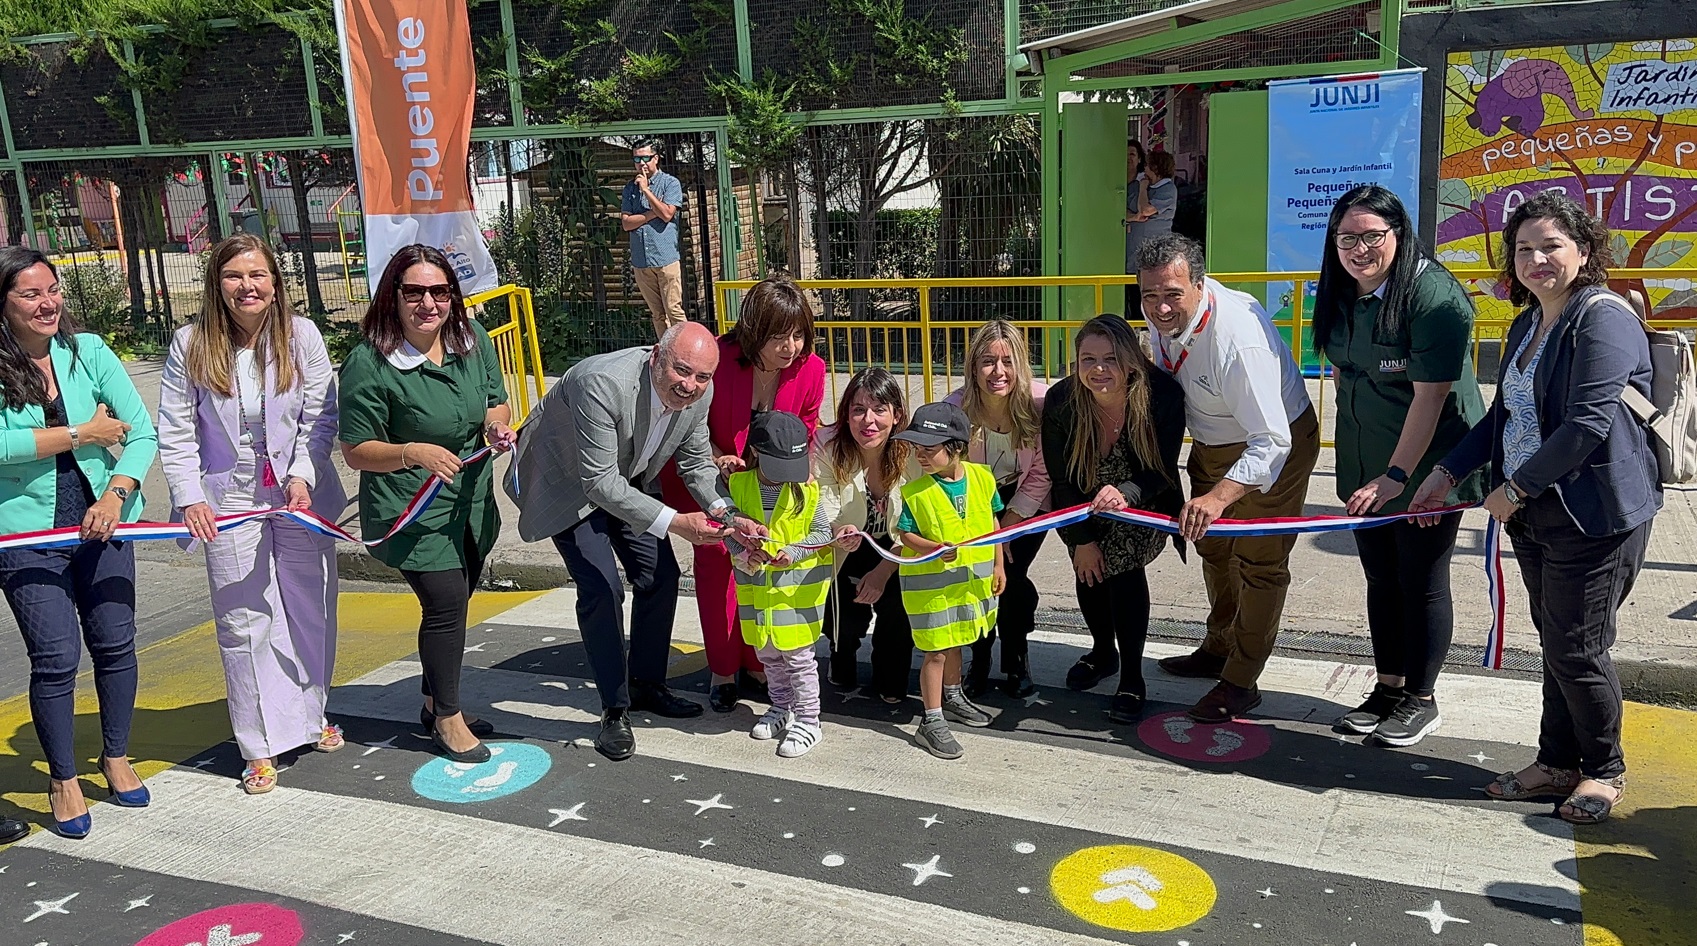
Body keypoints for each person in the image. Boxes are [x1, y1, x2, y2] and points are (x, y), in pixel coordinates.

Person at [1410, 192, 1660, 825]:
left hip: (1593, 514)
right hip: (1535, 515)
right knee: (1556, 642)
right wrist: (1446, 471)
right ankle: (1556, 762)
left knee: (1578, 647)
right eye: (1524, 248)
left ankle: (1603, 769)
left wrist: (1515, 488)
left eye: (1551, 245)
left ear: (1584, 251)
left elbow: (1586, 425)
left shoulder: (1601, 319)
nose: (1537, 259)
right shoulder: (1527, 322)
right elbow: (1505, 416)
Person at [506, 321, 768, 761]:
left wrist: (731, 515)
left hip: (627, 476)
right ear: (656, 357)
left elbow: (697, 464)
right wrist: (678, 523)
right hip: (569, 484)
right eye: (682, 371)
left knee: (661, 575)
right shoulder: (600, 384)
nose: (690, 386)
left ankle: (647, 684)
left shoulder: (700, 392)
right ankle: (614, 709)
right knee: (602, 587)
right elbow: (600, 483)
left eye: (702, 377)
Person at [157, 234, 346, 794]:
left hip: (297, 494)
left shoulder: (301, 334)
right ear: (218, 285)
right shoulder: (191, 343)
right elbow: (177, 427)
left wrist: (303, 474)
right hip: (229, 497)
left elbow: (320, 414)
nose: (248, 287)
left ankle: (310, 716)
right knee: (244, 620)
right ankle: (258, 743)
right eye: (235, 277)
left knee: (310, 607)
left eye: (258, 275)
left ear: (274, 282)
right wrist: (190, 495)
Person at [1311, 186, 1486, 747]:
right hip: (1366, 465)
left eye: (1371, 237)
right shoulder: (1341, 290)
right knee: (1381, 576)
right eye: (1346, 238)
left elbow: (1430, 398)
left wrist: (1399, 479)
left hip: (1425, 469)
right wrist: (1367, 469)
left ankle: (1421, 696)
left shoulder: (1432, 296)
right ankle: (1387, 687)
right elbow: (1343, 370)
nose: (1358, 249)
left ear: (1399, 234)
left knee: (1421, 580)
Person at [0, 247, 158, 838]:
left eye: (53, 289)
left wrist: (116, 493)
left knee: (117, 644)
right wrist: (81, 433)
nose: (48, 303)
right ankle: (62, 778)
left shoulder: (87, 351)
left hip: (105, 523)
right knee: (57, 658)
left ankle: (115, 755)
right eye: (30, 294)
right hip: (26, 536)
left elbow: (141, 432)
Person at [338, 244, 516, 765]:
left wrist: (496, 424)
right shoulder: (369, 362)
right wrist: (410, 451)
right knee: (445, 606)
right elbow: (356, 450)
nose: (428, 303)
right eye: (414, 292)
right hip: (412, 511)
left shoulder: (472, 338)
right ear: (392, 296)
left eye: (440, 292)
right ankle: (448, 718)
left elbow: (495, 399)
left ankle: (435, 698)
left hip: (471, 502)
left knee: (454, 603)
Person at [1137, 233, 1320, 723]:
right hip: (1214, 439)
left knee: (1259, 562)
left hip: (1274, 442)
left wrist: (1219, 496)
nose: (1160, 308)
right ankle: (1219, 645)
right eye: (1149, 296)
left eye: (1172, 294)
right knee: (1212, 545)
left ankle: (1241, 681)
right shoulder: (1169, 314)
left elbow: (1272, 441)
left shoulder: (1237, 343)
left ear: (1199, 285)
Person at [660, 277, 825, 713]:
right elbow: (691, 426)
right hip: (712, 474)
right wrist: (721, 458)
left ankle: (759, 663)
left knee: (766, 566)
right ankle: (722, 669)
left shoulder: (811, 369)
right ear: (753, 330)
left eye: (797, 334)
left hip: (772, 482)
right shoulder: (722, 356)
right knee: (718, 565)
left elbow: (805, 428)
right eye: (778, 335)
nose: (790, 346)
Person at [1041, 315, 1186, 723]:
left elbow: (1160, 470)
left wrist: (1126, 493)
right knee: (1088, 566)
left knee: (1121, 568)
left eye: (1111, 358)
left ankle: (1132, 675)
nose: (1099, 369)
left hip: (1143, 498)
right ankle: (1102, 651)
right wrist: (1082, 540)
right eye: (1088, 359)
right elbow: (1060, 479)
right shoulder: (1062, 401)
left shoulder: (1162, 395)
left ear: (1131, 360)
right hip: (1081, 498)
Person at [891, 402, 1007, 760]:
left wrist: (999, 565)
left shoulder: (983, 478)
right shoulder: (916, 491)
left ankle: (953, 696)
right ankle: (931, 718)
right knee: (936, 651)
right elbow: (905, 535)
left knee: (957, 641)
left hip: (968, 583)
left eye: (929, 450)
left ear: (956, 448)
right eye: (917, 449)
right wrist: (934, 548)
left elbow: (993, 524)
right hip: (931, 590)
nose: (921, 456)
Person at [945, 320, 1051, 698]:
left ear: (1021, 365)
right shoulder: (954, 410)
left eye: (1007, 361)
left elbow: (1042, 470)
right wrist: (987, 529)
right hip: (974, 507)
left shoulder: (1040, 404)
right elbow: (950, 473)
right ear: (973, 366)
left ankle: (1016, 655)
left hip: (1027, 503)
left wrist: (1007, 526)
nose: (998, 372)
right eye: (988, 361)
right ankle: (981, 654)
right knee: (980, 578)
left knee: (1012, 576)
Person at [725, 411, 835, 758]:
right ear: (755, 452)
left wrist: (792, 551)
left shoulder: (808, 490)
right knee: (769, 655)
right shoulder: (738, 486)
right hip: (757, 594)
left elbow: (821, 534)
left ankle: (809, 720)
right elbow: (726, 533)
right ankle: (780, 707)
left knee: (800, 659)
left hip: (797, 596)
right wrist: (745, 553)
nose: (785, 477)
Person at [815, 368, 917, 701]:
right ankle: (840, 652)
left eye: (879, 409)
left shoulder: (913, 453)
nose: (868, 420)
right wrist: (836, 530)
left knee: (898, 611)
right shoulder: (829, 447)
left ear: (897, 414)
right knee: (845, 618)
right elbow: (822, 505)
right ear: (846, 414)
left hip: (898, 546)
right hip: (848, 542)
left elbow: (917, 522)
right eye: (858, 410)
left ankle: (891, 673)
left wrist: (884, 571)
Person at [622, 138, 687, 340]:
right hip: (642, 262)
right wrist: (652, 214)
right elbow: (626, 223)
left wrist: (647, 191)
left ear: (656, 159)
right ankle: (667, 354)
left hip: (665, 259)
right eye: (636, 159)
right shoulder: (629, 189)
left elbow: (667, 214)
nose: (641, 163)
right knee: (658, 315)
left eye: (646, 158)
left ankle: (687, 350)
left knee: (673, 310)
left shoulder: (670, 183)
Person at [1126, 150, 1179, 274]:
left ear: (1155, 168)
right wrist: (1133, 217)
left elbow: (1145, 210)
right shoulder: (1136, 186)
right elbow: (1121, 210)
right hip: (1132, 254)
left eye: (1146, 165)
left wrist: (1143, 188)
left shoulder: (1168, 190)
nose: (1144, 169)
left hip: (1154, 256)